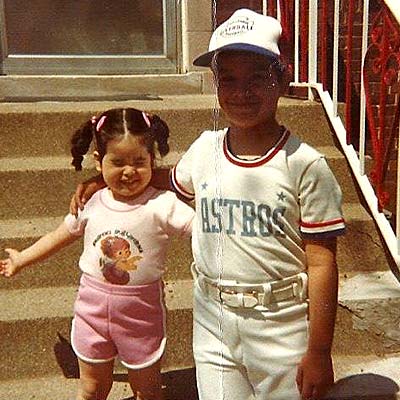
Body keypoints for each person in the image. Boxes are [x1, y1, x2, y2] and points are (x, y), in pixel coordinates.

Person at [70, 9, 345, 400]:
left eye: (257, 77)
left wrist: (318, 351)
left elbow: (321, 263)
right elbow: (168, 180)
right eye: (228, 79)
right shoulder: (205, 149)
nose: (241, 92)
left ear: (282, 79)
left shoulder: (305, 164)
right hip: (213, 320)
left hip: (279, 323)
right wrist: (104, 180)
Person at [0, 108, 195, 400]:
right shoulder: (90, 202)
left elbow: (202, 231)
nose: (129, 171)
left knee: (148, 391)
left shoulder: (163, 204)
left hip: (141, 314)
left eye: (139, 162)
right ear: (98, 161)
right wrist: (21, 259)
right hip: (91, 310)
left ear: (152, 160)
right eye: (117, 162)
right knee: (92, 389)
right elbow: (58, 236)